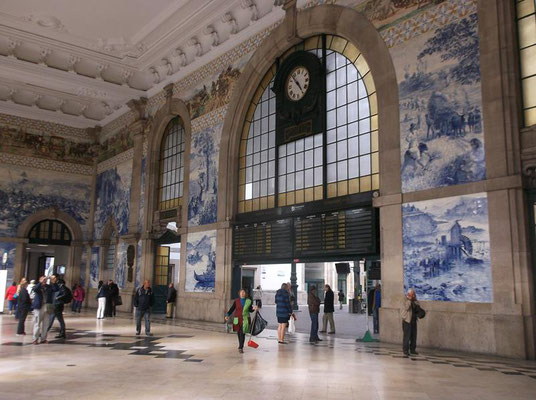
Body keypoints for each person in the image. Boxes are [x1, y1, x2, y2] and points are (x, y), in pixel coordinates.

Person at [225, 288, 256, 353]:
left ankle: (241, 347)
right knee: (238, 333)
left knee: (243, 332)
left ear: (245, 294)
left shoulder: (248, 301)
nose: (242, 293)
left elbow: (250, 310)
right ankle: (240, 345)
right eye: (241, 292)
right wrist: (227, 315)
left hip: (245, 319)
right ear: (239, 294)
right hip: (237, 319)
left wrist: (254, 309)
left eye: (243, 292)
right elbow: (232, 309)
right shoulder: (236, 301)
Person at [401, 288, 420, 357]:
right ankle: (405, 350)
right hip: (407, 321)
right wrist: (409, 299)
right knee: (407, 336)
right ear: (409, 294)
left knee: (413, 336)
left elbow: (418, 306)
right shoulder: (404, 300)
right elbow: (406, 307)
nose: (414, 295)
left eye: (414, 294)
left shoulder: (414, 300)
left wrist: (414, 300)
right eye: (412, 294)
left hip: (413, 320)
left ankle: (412, 349)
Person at [31, 276, 48, 344]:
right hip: (39, 307)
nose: (44, 281)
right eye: (42, 279)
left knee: (46, 323)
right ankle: (35, 338)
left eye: (45, 280)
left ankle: (43, 338)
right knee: (37, 323)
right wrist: (40, 283)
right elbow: (35, 289)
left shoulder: (48, 287)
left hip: (46, 306)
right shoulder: (37, 287)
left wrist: (54, 282)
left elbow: (56, 289)